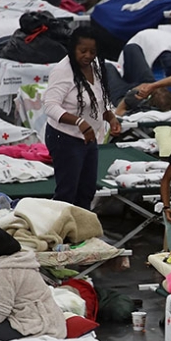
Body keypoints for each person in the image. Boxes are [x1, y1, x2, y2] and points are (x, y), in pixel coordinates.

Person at [44, 26, 122, 209]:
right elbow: (50, 106)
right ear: (73, 49)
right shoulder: (63, 71)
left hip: (88, 138)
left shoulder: (94, 66)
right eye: (83, 51)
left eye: (92, 52)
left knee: (87, 190)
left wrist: (110, 117)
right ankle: (61, 232)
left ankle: (81, 230)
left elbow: (100, 98)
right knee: (67, 191)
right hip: (64, 138)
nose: (88, 55)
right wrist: (80, 122)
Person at [107, 43, 171, 117]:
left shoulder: (143, 114)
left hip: (125, 97)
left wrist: (134, 92)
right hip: (149, 86)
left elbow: (119, 111)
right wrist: (153, 86)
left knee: (107, 67)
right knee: (132, 48)